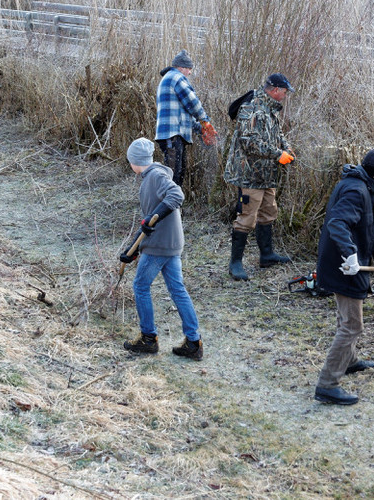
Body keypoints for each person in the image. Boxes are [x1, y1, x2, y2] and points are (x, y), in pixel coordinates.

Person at [314, 149, 374, 406]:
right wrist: (350, 255)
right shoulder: (356, 191)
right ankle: (327, 384)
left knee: (346, 318)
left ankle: (348, 361)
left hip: (346, 262)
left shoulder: (362, 186)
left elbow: (367, 231)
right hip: (344, 265)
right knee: (352, 325)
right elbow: (337, 224)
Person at [121, 137, 203, 360]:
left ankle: (148, 338)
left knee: (140, 285)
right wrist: (133, 249)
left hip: (160, 245)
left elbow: (176, 196)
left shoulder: (156, 176)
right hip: (169, 243)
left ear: (135, 161)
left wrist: (153, 221)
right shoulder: (152, 176)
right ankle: (193, 342)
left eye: (130, 160)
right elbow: (149, 221)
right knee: (177, 289)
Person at [223, 73, 295, 280]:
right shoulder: (251, 108)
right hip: (249, 175)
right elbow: (249, 142)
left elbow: (277, 134)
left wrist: (286, 148)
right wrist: (277, 154)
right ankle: (235, 264)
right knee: (247, 217)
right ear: (274, 90)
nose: (285, 95)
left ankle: (267, 255)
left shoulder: (271, 109)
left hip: (267, 174)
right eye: (284, 91)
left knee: (268, 212)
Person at [155, 49, 217, 187]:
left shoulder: (168, 79)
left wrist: (199, 129)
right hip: (172, 135)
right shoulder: (176, 78)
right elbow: (193, 103)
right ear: (181, 67)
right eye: (189, 69)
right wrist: (205, 122)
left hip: (170, 135)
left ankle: (173, 207)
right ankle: (168, 208)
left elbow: (185, 114)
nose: (190, 73)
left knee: (178, 174)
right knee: (174, 178)